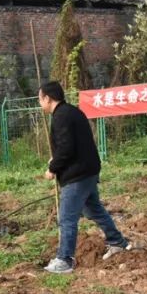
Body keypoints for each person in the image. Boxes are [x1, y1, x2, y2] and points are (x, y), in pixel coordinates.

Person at [39, 80, 132, 274]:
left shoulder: (61, 116)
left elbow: (66, 148)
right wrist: (56, 157)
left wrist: (53, 168)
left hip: (77, 175)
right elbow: (73, 144)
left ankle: (65, 260)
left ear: (47, 98)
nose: (40, 103)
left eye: (40, 99)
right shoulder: (73, 112)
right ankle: (117, 242)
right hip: (88, 171)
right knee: (94, 210)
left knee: (67, 218)